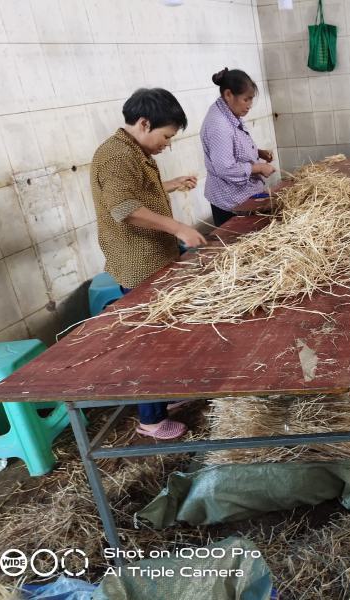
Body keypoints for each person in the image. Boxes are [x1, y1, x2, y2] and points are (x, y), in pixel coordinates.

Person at [90, 88, 205, 440]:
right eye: (166, 135)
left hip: (155, 255)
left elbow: (135, 195)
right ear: (144, 123)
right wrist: (180, 227)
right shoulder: (115, 157)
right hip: (139, 263)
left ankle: (163, 398)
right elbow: (124, 210)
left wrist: (168, 184)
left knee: (163, 334)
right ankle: (151, 419)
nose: (167, 143)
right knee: (149, 340)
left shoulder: (132, 150)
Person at [200, 68, 276, 227]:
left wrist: (259, 152)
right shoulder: (218, 124)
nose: (249, 106)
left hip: (244, 194)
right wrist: (259, 167)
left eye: (251, 100)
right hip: (230, 201)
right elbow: (225, 168)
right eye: (246, 100)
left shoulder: (229, 111)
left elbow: (235, 145)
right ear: (228, 95)